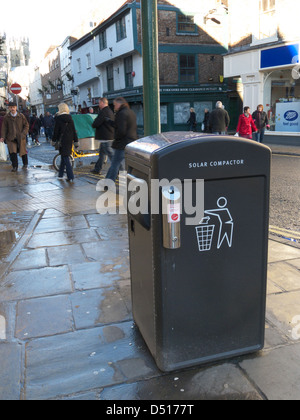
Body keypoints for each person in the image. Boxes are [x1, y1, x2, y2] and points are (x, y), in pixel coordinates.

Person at [106, 97, 138, 183]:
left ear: (119, 104)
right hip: (131, 142)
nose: (114, 107)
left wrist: (116, 138)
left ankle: (108, 183)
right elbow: (123, 126)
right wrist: (110, 122)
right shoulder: (131, 112)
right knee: (128, 165)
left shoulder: (121, 113)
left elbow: (121, 130)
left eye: (115, 105)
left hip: (122, 143)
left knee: (114, 164)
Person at [0, 102, 29, 172]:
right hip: (10, 138)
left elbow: (26, 125)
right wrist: (3, 137)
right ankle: (15, 166)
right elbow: (4, 128)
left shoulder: (21, 116)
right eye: (11, 107)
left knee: (23, 151)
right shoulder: (7, 117)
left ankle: (25, 164)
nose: (12, 108)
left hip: (20, 137)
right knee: (12, 152)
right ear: (9, 108)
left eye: (13, 107)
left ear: (16, 107)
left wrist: (23, 134)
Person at [52, 103, 78, 182]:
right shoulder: (70, 119)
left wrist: (53, 140)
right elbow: (74, 131)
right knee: (64, 156)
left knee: (65, 157)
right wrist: (76, 141)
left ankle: (70, 176)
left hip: (62, 141)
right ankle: (60, 175)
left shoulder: (58, 119)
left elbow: (56, 131)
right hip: (69, 140)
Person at [90, 98, 115, 175]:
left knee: (111, 156)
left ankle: (119, 170)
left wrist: (93, 123)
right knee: (102, 155)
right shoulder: (110, 111)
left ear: (102, 103)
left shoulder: (103, 112)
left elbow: (96, 123)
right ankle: (97, 169)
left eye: (99, 103)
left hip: (105, 137)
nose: (98, 104)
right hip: (108, 136)